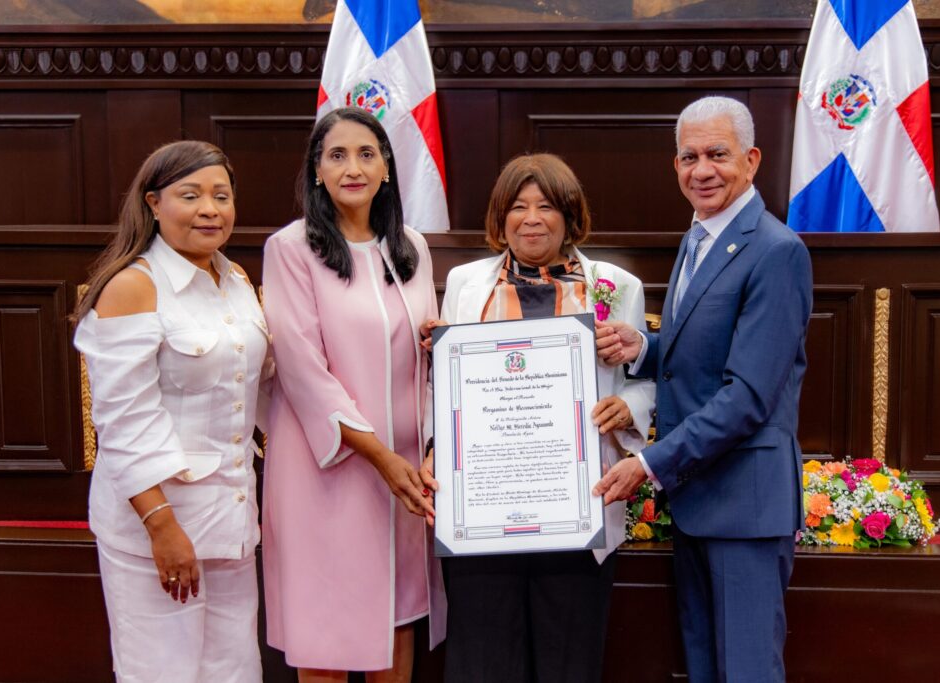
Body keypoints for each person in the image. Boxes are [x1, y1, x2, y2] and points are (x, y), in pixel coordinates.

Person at [593, 96, 813, 683]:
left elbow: (747, 396)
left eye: (718, 154)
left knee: (743, 671)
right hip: (699, 501)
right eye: (689, 156)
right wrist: (645, 348)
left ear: (752, 159)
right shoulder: (699, 237)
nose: (702, 169)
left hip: (745, 503)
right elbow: (707, 353)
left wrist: (648, 463)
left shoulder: (776, 250)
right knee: (705, 668)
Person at [422, 153, 655, 683]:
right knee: (483, 661)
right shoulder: (464, 283)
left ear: (570, 215)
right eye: (518, 206)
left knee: (568, 661)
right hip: (483, 508)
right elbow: (447, 387)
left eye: (546, 206)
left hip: (578, 505)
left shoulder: (614, 285)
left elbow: (644, 379)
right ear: (499, 217)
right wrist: (438, 362)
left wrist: (631, 408)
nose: (531, 218)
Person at [260, 107, 445, 682]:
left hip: (407, 472)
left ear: (388, 167)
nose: (353, 167)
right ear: (316, 170)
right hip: (328, 470)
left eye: (367, 154)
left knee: (399, 613)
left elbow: (435, 356)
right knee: (328, 626)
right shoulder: (291, 248)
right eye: (336, 155)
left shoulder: (410, 247)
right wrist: (382, 458)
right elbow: (302, 368)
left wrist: (433, 447)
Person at [73, 140, 268, 682]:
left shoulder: (234, 281)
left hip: (229, 520)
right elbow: (122, 423)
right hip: (157, 528)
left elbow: (257, 385)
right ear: (154, 203)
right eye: (191, 195)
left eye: (222, 195)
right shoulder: (133, 286)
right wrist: (162, 527)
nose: (211, 209)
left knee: (234, 672)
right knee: (162, 674)